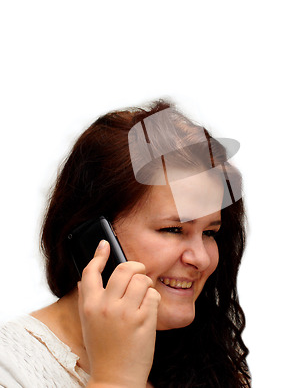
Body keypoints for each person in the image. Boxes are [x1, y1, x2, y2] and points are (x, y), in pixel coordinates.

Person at [0, 99, 251, 387]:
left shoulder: (208, 367)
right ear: (92, 235)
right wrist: (116, 378)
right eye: (173, 229)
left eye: (210, 233)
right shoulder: (10, 369)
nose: (202, 259)